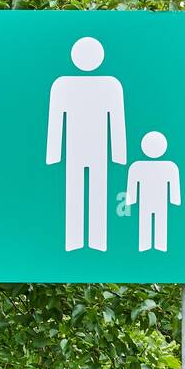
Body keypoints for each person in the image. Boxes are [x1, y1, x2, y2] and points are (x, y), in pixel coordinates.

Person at [46, 37, 126, 252]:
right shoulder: (62, 85)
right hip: (75, 147)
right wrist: (53, 153)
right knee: (76, 189)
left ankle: (96, 240)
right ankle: (75, 240)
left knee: (96, 189)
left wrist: (119, 154)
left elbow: (117, 121)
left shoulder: (111, 85)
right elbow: (56, 121)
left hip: (97, 147)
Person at [125, 132, 181, 253]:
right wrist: (174, 200)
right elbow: (132, 186)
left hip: (150, 201)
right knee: (154, 220)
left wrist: (131, 200)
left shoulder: (137, 166)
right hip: (154, 201)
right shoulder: (170, 167)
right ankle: (151, 245)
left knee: (153, 220)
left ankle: (150, 245)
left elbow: (131, 186)